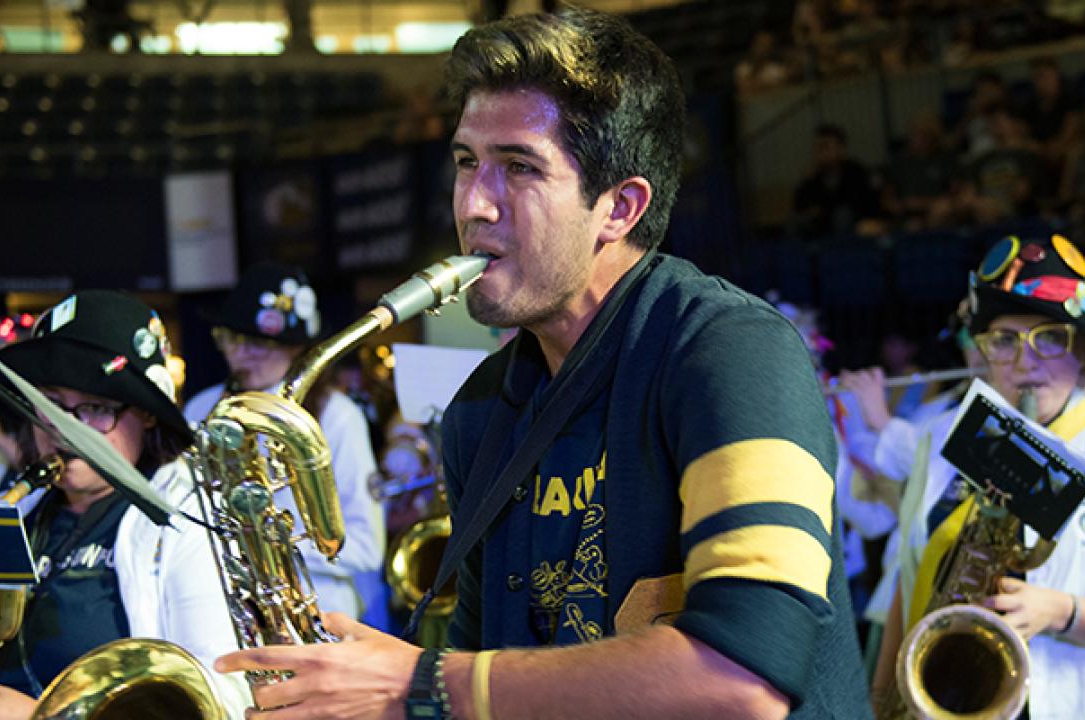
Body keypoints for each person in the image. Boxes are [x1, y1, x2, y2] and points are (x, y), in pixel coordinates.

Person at [214, 8, 868, 719]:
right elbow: (483, 670)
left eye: (519, 168)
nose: (473, 204)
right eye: (467, 163)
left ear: (619, 208)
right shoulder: (478, 409)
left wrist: (420, 685)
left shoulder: (729, 350)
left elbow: (744, 679)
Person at [869, 234, 1085, 718]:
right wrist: (879, 703)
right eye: (1004, 340)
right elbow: (909, 582)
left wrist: (1062, 612)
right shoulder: (940, 437)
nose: (1025, 361)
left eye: (1051, 338)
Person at [0, 290, 249, 718]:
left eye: (94, 407)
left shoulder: (189, 521)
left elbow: (222, 695)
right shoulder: (18, 510)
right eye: (50, 405)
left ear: (147, 415)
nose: (64, 429)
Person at [183, 262, 383, 621]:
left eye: (259, 344)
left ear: (296, 350)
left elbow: (366, 546)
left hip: (318, 610)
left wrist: (265, 544)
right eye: (233, 339)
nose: (242, 355)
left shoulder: (337, 415)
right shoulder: (202, 407)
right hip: (225, 610)